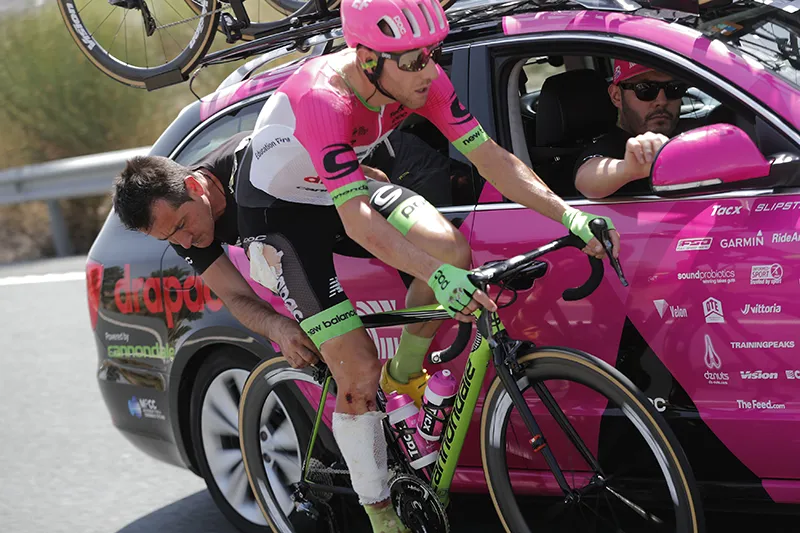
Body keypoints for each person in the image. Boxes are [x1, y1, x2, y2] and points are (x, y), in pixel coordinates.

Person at [236, 0, 622, 531]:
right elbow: (358, 223)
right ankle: (379, 514)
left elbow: (490, 159)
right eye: (412, 61)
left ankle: (405, 382)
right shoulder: (323, 99)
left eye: (431, 55)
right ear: (368, 59)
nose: (428, 70)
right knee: (357, 372)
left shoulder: (423, 79)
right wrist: (440, 281)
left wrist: (570, 218)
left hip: (344, 190)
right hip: (281, 215)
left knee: (453, 250)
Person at [112, 134, 392, 367]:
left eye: (182, 225)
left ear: (195, 187)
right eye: (169, 238)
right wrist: (278, 328)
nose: (185, 242)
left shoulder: (249, 164)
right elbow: (234, 295)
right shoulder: (185, 231)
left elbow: (369, 176)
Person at [574, 60, 689, 198]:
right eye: (645, 89)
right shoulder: (609, 146)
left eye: (674, 88)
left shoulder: (694, 133)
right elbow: (585, 179)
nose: (662, 101)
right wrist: (629, 169)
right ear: (616, 96)